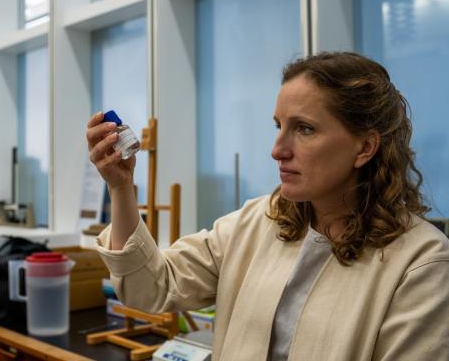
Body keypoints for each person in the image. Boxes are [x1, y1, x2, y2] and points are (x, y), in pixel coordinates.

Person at [85, 52, 449, 360]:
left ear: (365, 147)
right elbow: (151, 287)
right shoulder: (258, 222)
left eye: (304, 129)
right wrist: (121, 188)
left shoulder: (421, 266)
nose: (278, 149)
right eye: (279, 126)